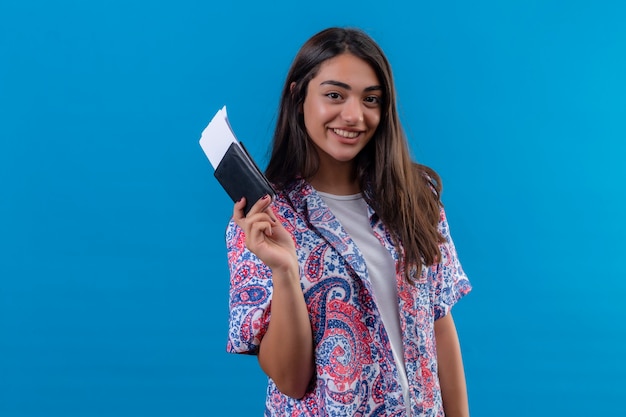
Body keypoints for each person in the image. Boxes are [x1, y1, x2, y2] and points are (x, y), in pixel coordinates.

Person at [225, 27, 472, 417]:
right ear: (297, 96)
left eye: (370, 99)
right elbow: (290, 380)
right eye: (334, 95)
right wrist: (285, 270)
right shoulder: (266, 221)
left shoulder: (416, 196)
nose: (354, 116)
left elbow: (439, 326)